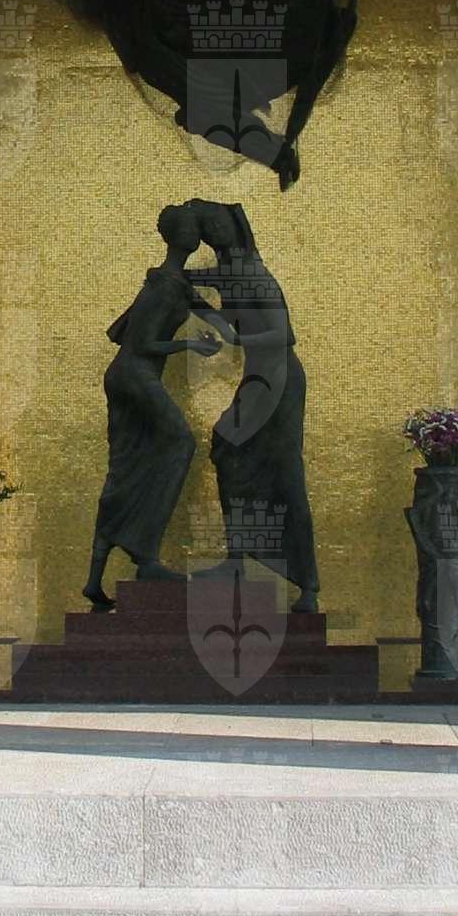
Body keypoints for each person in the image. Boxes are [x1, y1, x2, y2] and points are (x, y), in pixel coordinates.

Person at [83, 205, 232, 611]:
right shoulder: (165, 286)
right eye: (193, 229)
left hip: (131, 376)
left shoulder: (175, 283)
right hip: (134, 375)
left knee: (127, 467)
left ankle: (95, 579)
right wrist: (191, 345)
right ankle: (146, 555)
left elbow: (218, 320)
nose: (197, 235)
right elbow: (142, 343)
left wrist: (245, 321)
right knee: (180, 443)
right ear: (180, 236)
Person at [185, 200, 321, 612]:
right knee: (228, 452)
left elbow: (282, 335)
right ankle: (238, 559)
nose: (214, 233)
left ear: (235, 226)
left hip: (278, 379)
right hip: (260, 376)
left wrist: (236, 339)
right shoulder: (233, 274)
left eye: (218, 224)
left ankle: (307, 584)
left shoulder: (253, 274)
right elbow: (219, 305)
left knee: (285, 474)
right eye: (207, 228)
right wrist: (195, 301)